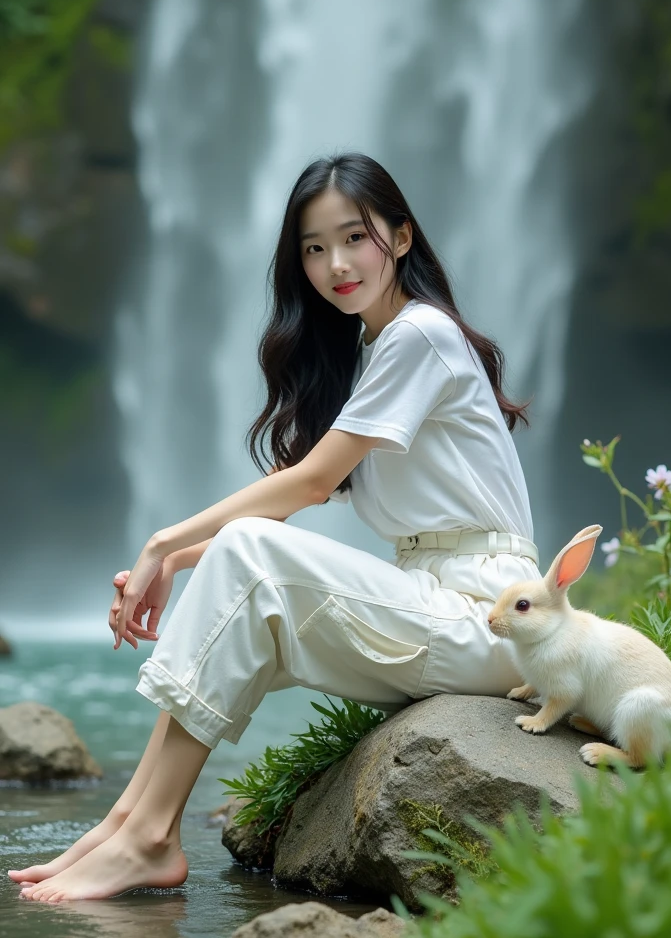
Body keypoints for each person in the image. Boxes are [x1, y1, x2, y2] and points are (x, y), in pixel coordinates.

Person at [10, 151, 541, 902]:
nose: (336, 264)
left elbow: (313, 479)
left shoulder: (419, 335)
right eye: (314, 249)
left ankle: (151, 836)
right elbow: (320, 497)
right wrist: (187, 561)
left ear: (402, 236)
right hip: (438, 603)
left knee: (250, 550)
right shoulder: (376, 347)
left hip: (491, 616)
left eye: (355, 238)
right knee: (241, 553)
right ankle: (129, 820)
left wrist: (163, 544)